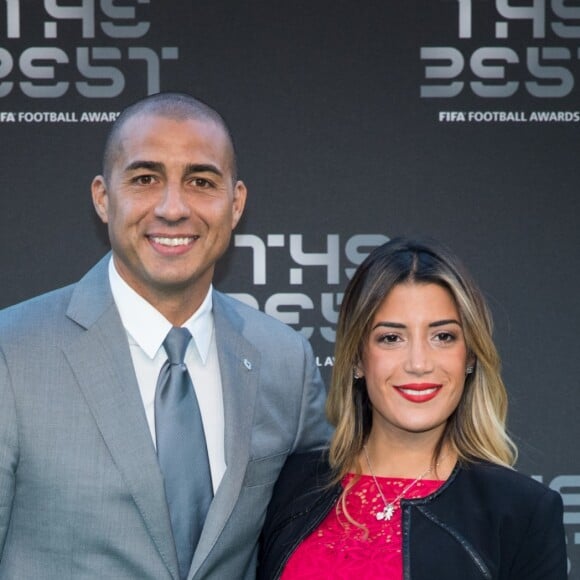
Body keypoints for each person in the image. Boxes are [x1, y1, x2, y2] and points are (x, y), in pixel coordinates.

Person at [0, 92, 331, 579]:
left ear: (235, 204)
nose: (173, 208)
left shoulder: (285, 360)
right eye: (145, 179)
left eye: (200, 181)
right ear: (102, 197)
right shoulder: (12, 352)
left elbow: (317, 547)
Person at [259, 236, 567, 580]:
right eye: (391, 338)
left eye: (443, 337)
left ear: (470, 356)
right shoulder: (286, 484)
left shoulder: (522, 511)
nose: (419, 364)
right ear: (358, 359)